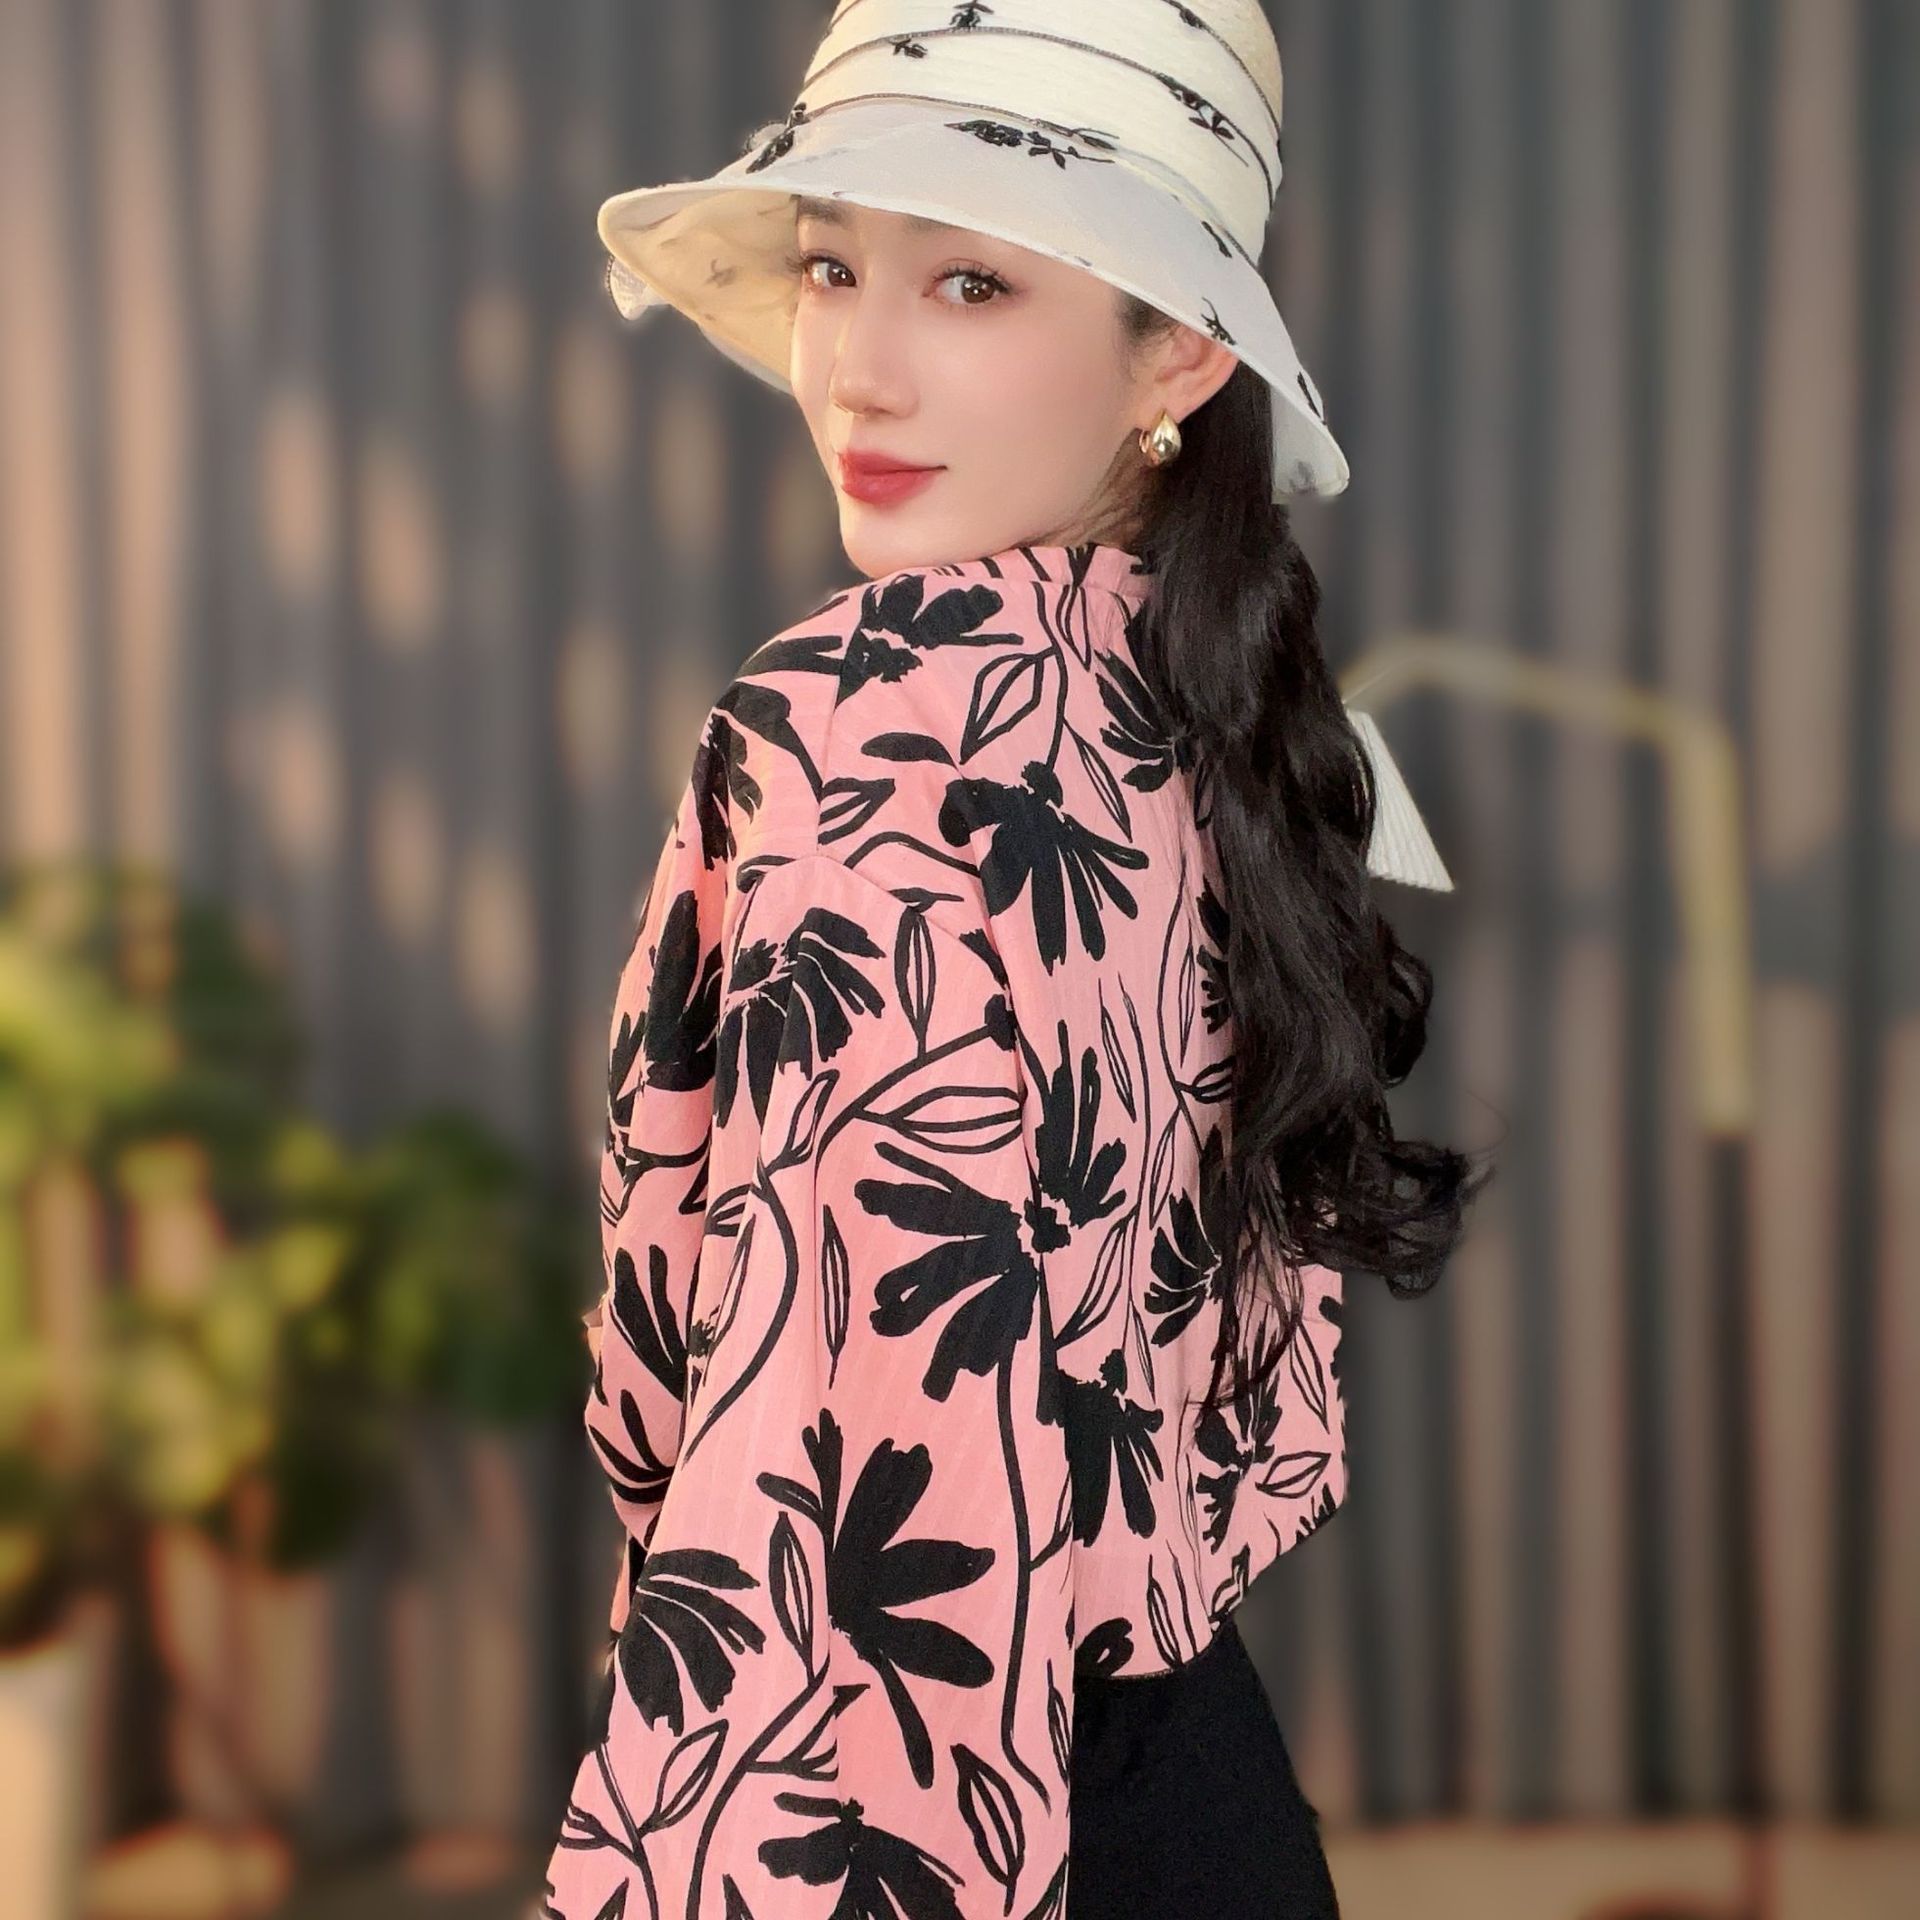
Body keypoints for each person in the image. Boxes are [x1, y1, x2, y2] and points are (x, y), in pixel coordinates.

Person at [543, 5, 1485, 1916]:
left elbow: (805, 1436)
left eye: (970, 283)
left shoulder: (857, 721)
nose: (858, 373)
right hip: (1191, 1782)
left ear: (1181, 347)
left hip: (922, 1799)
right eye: (833, 270)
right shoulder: (1233, 698)